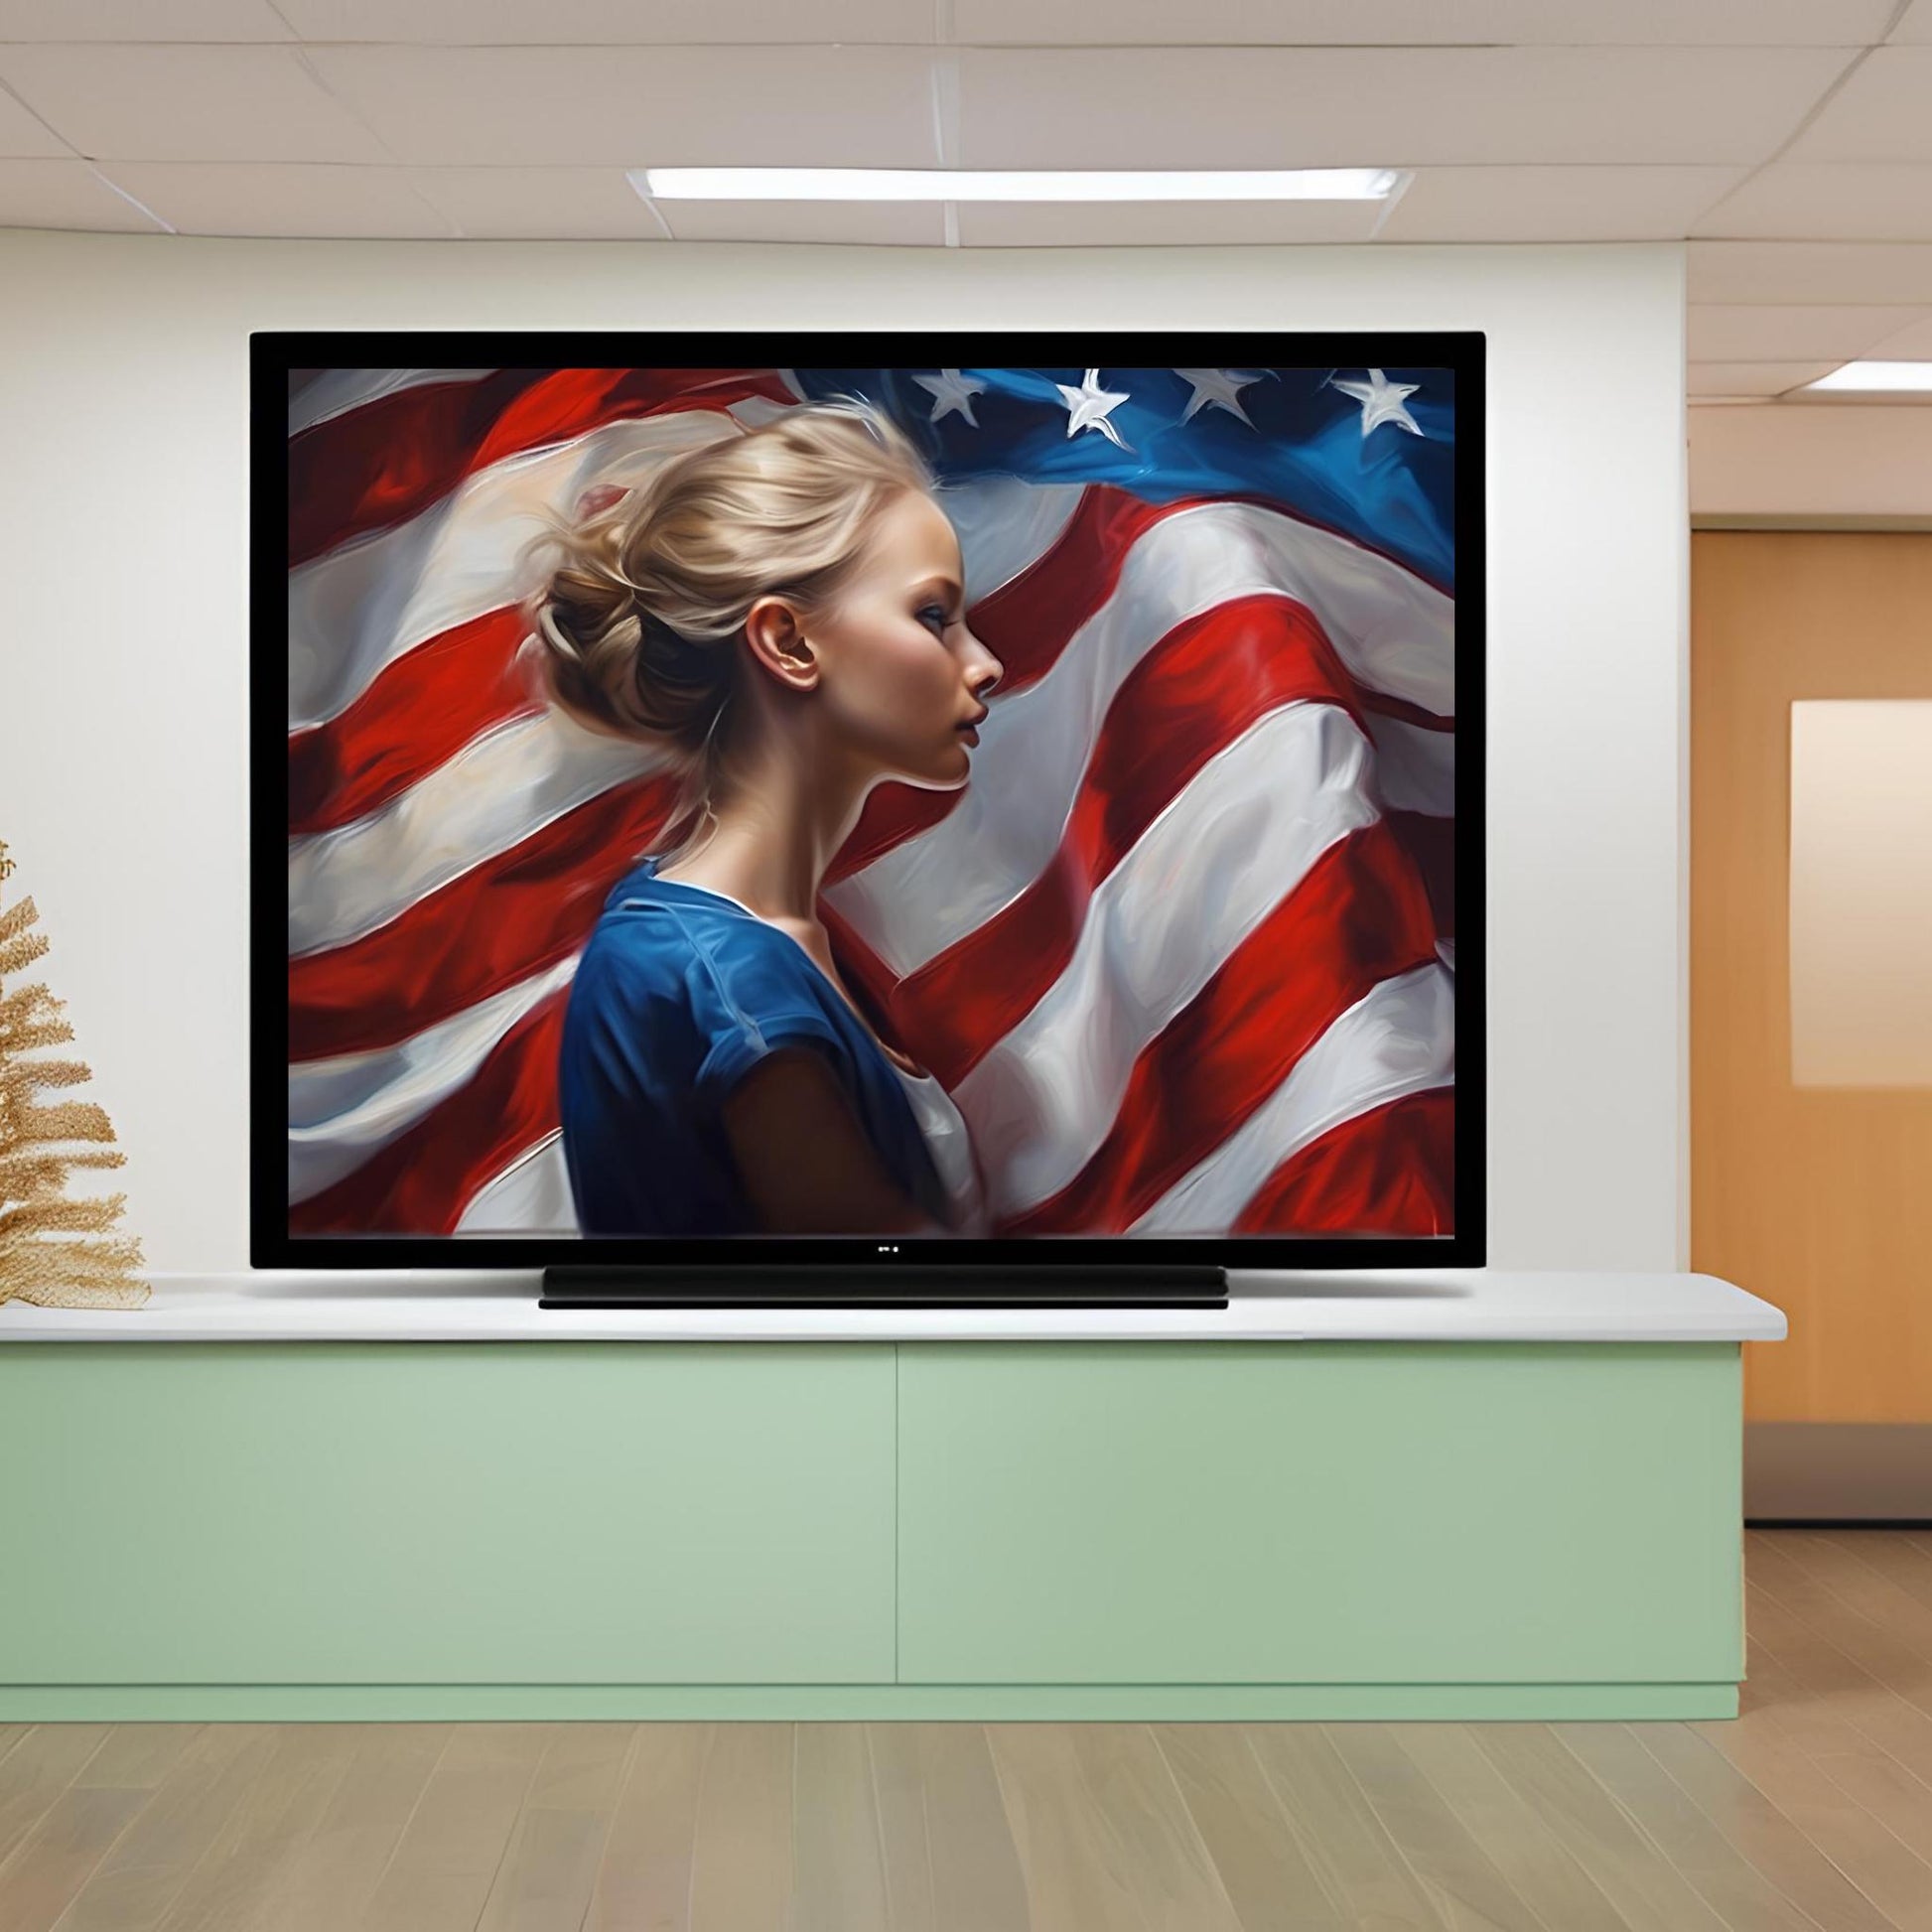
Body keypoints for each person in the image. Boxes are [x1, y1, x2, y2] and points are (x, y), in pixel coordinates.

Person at [530, 397, 1005, 1237]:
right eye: (933, 616)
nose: (985, 663)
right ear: (787, 643)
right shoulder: (724, 978)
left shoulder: (753, 938)